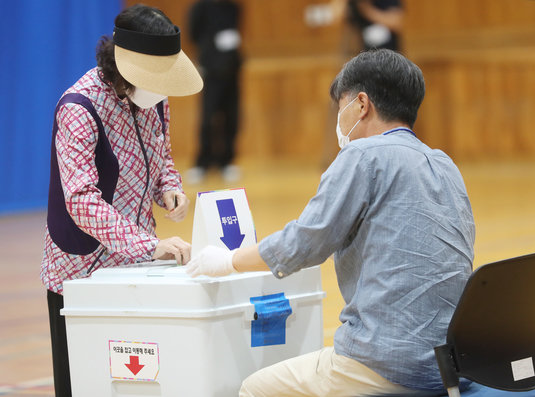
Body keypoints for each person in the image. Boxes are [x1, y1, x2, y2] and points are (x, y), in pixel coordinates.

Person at [185, 49, 475, 396]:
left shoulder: (362, 155)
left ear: (362, 104)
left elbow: (303, 244)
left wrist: (227, 261)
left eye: (341, 108)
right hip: (452, 365)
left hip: (385, 364)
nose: (339, 121)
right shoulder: (445, 164)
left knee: (252, 388)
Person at [40, 5, 202, 396]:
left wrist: (170, 188)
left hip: (137, 265)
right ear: (124, 68)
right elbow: (81, 200)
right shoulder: (79, 108)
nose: (163, 90)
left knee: (136, 379)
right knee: (83, 381)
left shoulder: (155, 101)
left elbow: (161, 155)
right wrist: (151, 244)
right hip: (81, 270)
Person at [185, 0, 243, 184]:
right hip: (210, 69)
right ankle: (203, 163)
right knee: (208, 117)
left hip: (231, 68)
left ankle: (226, 161)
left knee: (231, 116)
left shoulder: (233, 7)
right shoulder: (200, 8)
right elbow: (193, 35)